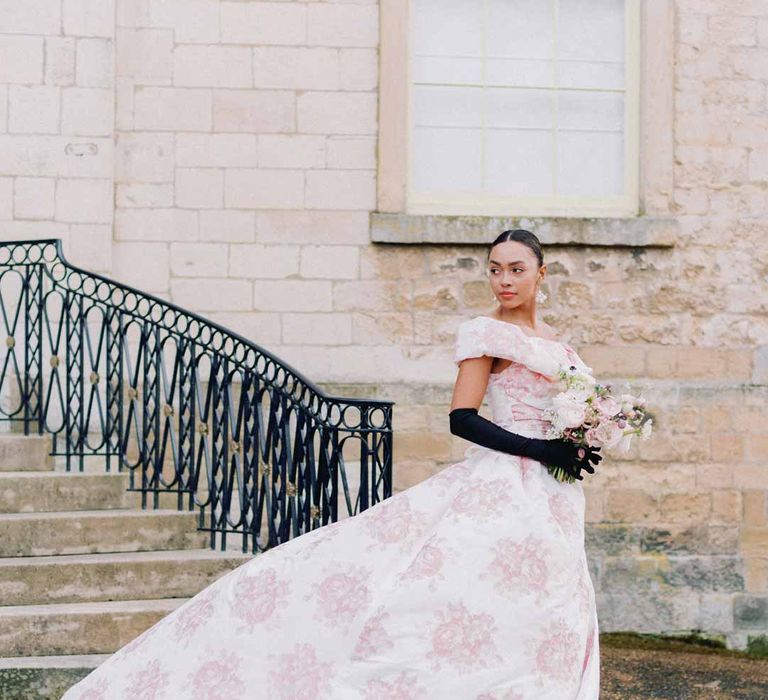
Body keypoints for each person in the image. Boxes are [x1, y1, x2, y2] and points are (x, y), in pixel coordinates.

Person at [63, 228, 603, 700]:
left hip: (554, 496)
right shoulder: (487, 334)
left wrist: (578, 443)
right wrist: (539, 450)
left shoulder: (559, 345)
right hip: (503, 480)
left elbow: (566, 409)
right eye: (494, 270)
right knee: (448, 589)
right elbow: (461, 418)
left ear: (540, 273)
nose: (503, 280)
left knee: (542, 603)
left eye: (516, 270)